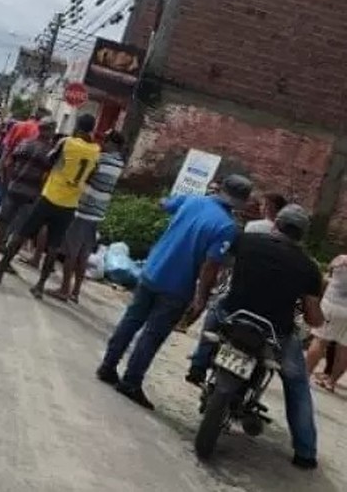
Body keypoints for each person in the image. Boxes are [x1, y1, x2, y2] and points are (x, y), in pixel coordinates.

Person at [95, 174, 252, 410]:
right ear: (242, 202)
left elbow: (164, 203)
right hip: (177, 286)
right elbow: (211, 265)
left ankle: (108, 366)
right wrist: (200, 298)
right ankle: (131, 381)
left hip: (152, 270)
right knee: (152, 335)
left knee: (132, 320)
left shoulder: (194, 200)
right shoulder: (226, 227)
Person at [187, 205, 324, 471]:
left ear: (275, 224)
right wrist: (320, 321)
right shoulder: (309, 268)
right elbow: (311, 315)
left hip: (233, 315)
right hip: (275, 331)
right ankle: (306, 452)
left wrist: (203, 293)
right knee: (297, 383)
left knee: (214, 308)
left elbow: (214, 263)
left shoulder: (246, 240)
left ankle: (199, 364)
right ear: (301, 237)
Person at [0, 114, 101, 285]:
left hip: (50, 196)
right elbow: (91, 177)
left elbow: (50, 161)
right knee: (53, 245)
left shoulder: (66, 143)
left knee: (21, 233)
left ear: (77, 126)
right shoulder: (95, 151)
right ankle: (40, 286)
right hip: (70, 204)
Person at [38, 130, 127, 303]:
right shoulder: (119, 163)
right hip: (98, 214)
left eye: (104, 140)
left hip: (84, 210)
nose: (101, 143)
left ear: (110, 142)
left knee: (71, 251)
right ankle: (76, 291)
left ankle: (64, 289)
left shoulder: (101, 159)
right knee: (84, 254)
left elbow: (84, 174)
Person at [0, 118, 57, 268]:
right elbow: (47, 176)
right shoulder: (49, 152)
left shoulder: (25, 144)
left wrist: (10, 179)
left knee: (3, 222)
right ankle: (5, 262)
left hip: (14, 188)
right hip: (31, 194)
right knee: (20, 229)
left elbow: (9, 163)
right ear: (50, 132)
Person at [306, 253, 347, 393]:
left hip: (333, 304)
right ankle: (331, 382)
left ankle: (306, 374)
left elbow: (327, 275)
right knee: (344, 348)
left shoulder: (341, 260)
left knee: (320, 340)